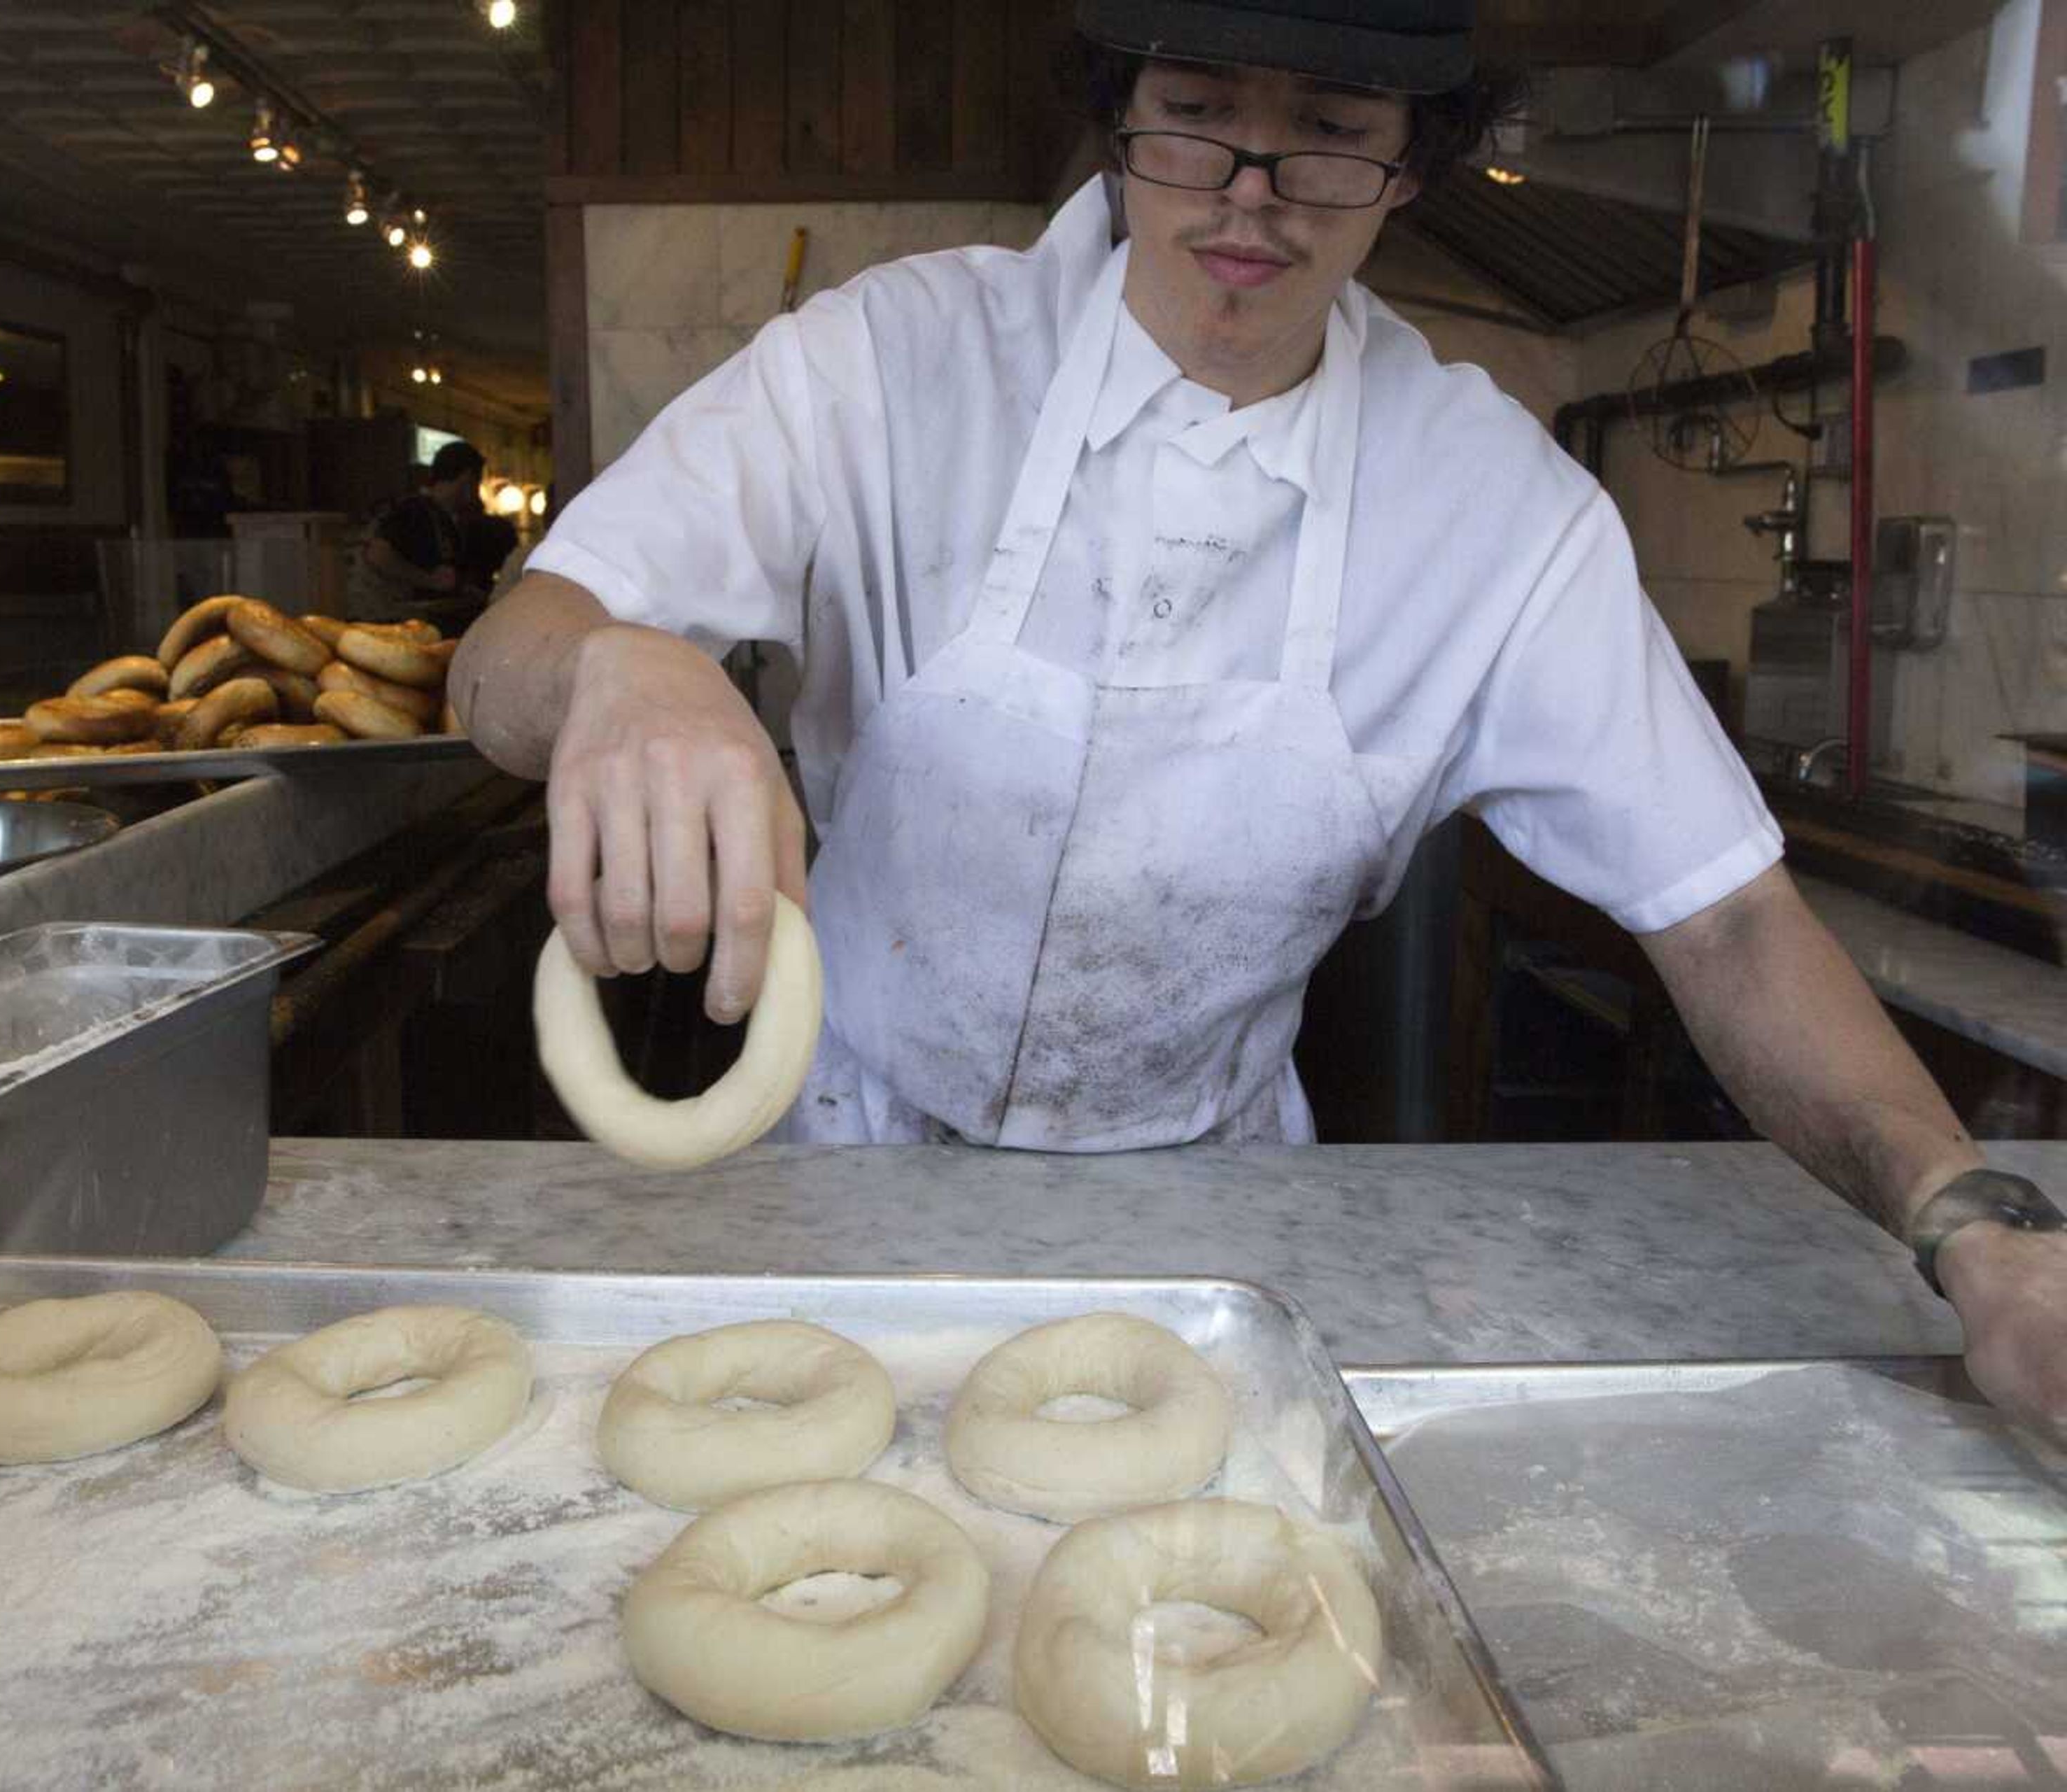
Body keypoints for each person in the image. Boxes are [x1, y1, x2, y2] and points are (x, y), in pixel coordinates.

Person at [453, 0, 2065, 1441]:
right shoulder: (888, 362)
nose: (1248, 191)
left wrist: (1962, 1211)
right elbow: (501, 659)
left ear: (1410, 165)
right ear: (1119, 108)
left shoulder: (1492, 511)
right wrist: (617, 665)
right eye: (1199, 112)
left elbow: (1726, 920)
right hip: (839, 1178)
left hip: (1221, 1235)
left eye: (1327, 137)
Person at [346, 439, 484, 626]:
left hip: (406, 621)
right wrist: (430, 581)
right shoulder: (413, 509)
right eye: (477, 483)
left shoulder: (442, 517)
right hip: (388, 622)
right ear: (468, 479)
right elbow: (378, 554)